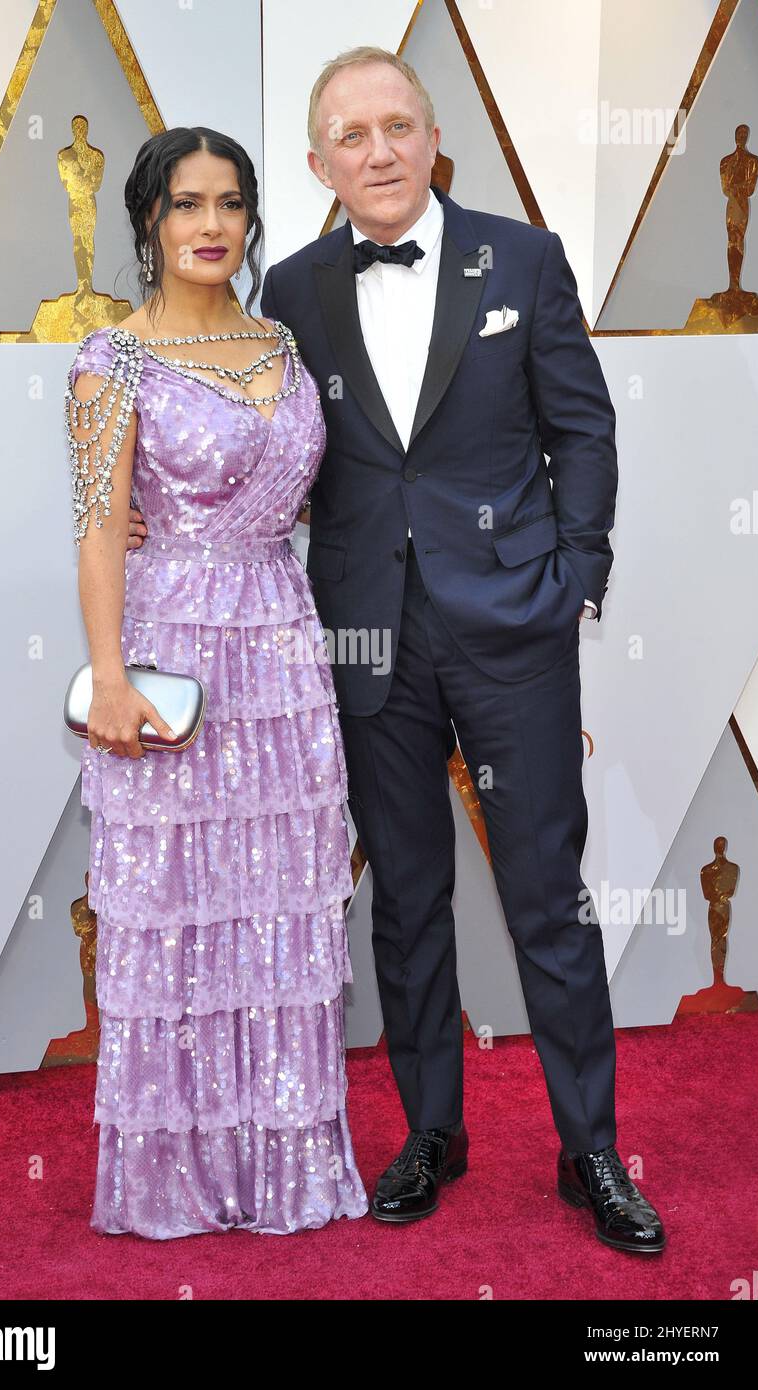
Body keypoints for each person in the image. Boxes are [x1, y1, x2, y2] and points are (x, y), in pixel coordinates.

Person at [127, 49, 666, 1254]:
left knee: (547, 902)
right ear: (318, 165)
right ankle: (432, 1131)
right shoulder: (295, 295)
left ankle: (591, 1151)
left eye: (396, 127)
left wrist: (574, 574)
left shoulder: (519, 258)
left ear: (431, 140)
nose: (376, 152)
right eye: (350, 136)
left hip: (514, 634)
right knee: (408, 904)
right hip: (362, 643)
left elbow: (581, 428)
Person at [65, 126, 368, 1238]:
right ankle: (177, 1175)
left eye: (229, 203)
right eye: (186, 203)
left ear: (250, 217)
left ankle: (280, 1160)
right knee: (171, 907)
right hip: (168, 653)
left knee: (283, 902)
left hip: (281, 652)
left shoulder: (282, 343)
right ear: (148, 218)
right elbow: (99, 530)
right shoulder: (112, 360)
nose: (210, 225)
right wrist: (108, 676)